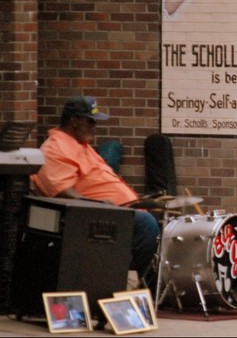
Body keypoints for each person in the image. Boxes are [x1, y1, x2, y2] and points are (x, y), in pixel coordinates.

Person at [30, 96, 161, 290]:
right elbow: (62, 192)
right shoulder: (55, 148)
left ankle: (153, 289)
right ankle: (147, 289)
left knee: (159, 219)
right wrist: (98, 204)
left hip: (116, 211)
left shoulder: (79, 144)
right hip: (91, 216)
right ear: (74, 121)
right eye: (90, 121)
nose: (94, 126)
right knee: (146, 225)